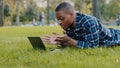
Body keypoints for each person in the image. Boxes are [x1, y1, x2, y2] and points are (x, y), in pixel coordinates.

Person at [43, 2, 120, 48]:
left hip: (115, 37)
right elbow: (78, 42)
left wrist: (69, 40)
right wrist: (61, 41)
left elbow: (92, 46)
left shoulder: (88, 21)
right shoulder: (68, 26)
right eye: (58, 19)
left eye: (61, 18)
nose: (59, 22)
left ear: (72, 14)